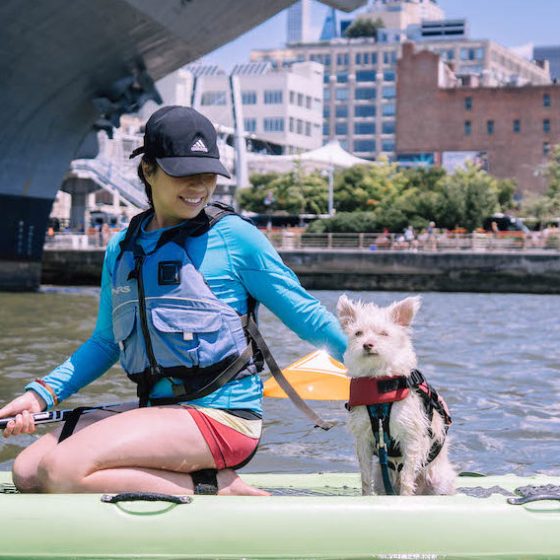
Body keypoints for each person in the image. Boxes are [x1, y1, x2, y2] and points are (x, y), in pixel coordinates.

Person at [0, 106, 347, 496]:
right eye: (183, 173)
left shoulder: (236, 238)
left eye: (208, 174)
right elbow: (104, 342)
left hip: (223, 417)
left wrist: (387, 369)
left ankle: (217, 486)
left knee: (61, 471)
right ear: (148, 170)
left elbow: (307, 315)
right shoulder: (121, 249)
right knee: (28, 471)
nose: (199, 185)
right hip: (158, 413)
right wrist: (39, 395)